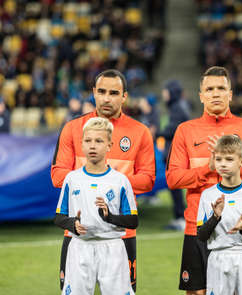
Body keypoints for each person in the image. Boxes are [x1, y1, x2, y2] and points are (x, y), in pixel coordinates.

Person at [51, 69, 156, 292]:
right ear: (93, 93)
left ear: (124, 96)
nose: (107, 98)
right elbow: (58, 176)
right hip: (77, 234)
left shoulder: (140, 132)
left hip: (121, 235)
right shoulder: (72, 128)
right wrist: (93, 177)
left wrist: (111, 181)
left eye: (114, 93)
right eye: (101, 92)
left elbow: (148, 179)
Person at [166, 66, 242, 295]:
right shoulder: (185, 130)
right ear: (201, 96)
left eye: (221, 88)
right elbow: (173, 179)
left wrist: (230, 161)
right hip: (197, 228)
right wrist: (208, 168)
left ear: (230, 94)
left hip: (237, 233)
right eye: (209, 89)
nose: (215, 93)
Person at [54, 117, 138, 294]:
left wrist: (109, 217)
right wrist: (73, 225)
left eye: (99, 141)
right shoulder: (72, 179)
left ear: (109, 145)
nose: (92, 146)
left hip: (112, 247)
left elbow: (133, 221)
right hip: (80, 247)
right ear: (82, 145)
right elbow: (59, 217)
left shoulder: (120, 181)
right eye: (88, 141)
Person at [197, 135, 242, 295]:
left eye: (229, 159)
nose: (223, 164)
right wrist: (215, 217)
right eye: (219, 159)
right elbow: (201, 236)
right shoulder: (208, 195)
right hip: (218, 258)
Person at [159, 80, 190, 231]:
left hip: (176, 154)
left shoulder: (178, 108)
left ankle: (181, 218)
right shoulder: (176, 107)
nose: (164, 94)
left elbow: (173, 130)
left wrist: (157, 133)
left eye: (166, 91)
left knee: (175, 187)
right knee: (174, 187)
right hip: (174, 153)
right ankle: (180, 217)